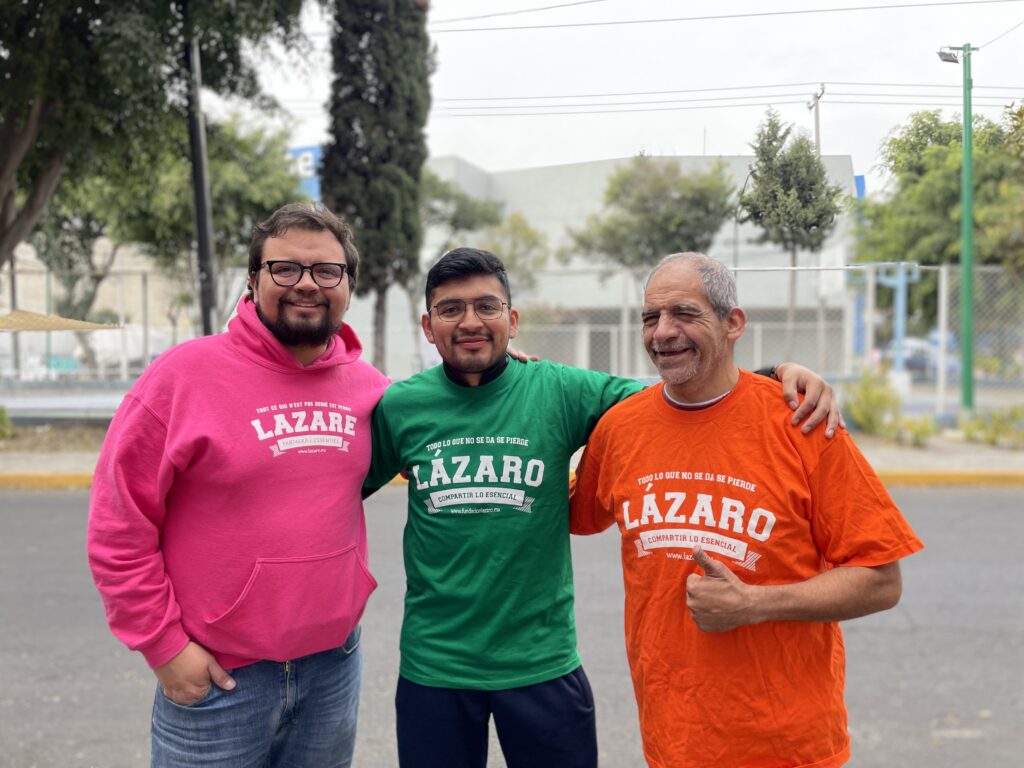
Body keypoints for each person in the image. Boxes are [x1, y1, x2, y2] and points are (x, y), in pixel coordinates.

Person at [363, 247, 842, 768]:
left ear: (513, 320)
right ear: (428, 326)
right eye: (451, 309)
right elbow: (334, 489)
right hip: (435, 667)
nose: (470, 322)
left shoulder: (561, 390)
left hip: (542, 664)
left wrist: (775, 373)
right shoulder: (400, 407)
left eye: (487, 306)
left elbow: (679, 391)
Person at [569, 252, 924, 768]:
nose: (662, 332)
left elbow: (881, 579)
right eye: (651, 317)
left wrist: (753, 604)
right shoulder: (621, 429)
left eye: (684, 314)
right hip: (673, 741)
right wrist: (510, 377)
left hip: (788, 746)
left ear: (732, 322)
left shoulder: (800, 420)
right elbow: (570, 513)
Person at [87, 202, 389, 768]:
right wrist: (164, 646)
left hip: (333, 669)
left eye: (326, 271)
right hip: (220, 681)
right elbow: (118, 524)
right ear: (253, 281)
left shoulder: (370, 390)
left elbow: (445, 418)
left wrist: (501, 373)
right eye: (285, 269)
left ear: (348, 285)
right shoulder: (181, 377)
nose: (306, 284)